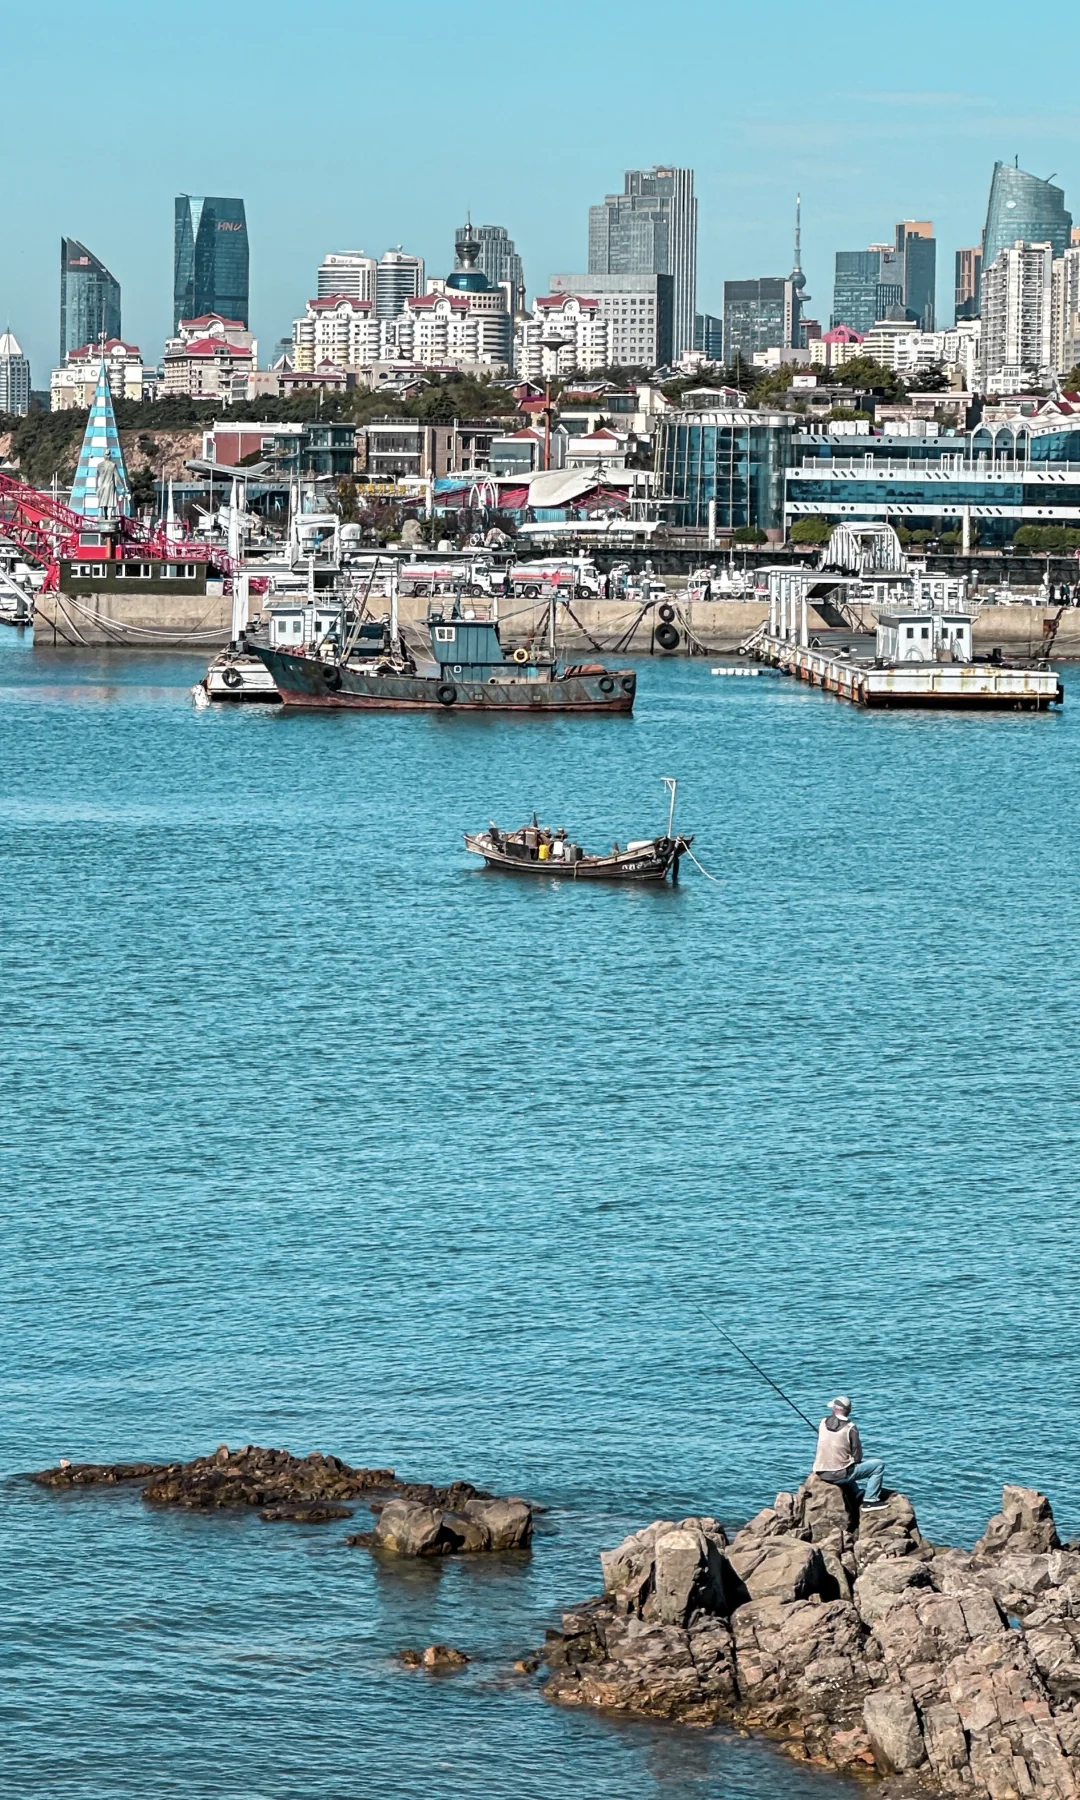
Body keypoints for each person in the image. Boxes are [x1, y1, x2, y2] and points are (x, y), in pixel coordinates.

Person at [812, 1396, 885, 1507]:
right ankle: (870, 1500)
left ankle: (855, 1493)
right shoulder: (851, 1427)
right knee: (878, 1465)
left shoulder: (823, 1422)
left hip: (821, 1472)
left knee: (846, 1464)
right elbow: (857, 1456)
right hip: (839, 1475)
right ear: (849, 1410)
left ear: (834, 1409)